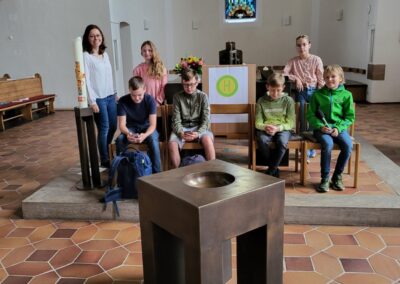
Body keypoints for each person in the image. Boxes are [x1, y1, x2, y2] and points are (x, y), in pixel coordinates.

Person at [306, 65, 355, 193]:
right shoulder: (317, 95)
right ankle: (325, 178)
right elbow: (310, 115)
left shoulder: (347, 95)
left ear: (340, 78)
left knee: (348, 146)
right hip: (321, 129)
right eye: (326, 77)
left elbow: (349, 117)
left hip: (339, 129)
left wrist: (338, 128)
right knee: (327, 144)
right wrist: (320, 126)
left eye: (333, 76)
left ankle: (337, 176)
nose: (330, 80)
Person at [283, 34, 324, 161]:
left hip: (314, 92)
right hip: (300, 92)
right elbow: (284, 73)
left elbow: (321, 79)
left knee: (313, 119)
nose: (302, 47)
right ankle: (302, 150)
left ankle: (309, 149)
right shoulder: (293, 61)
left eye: (304, 44)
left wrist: (321, 96)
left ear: (309, 45)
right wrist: (296, 79)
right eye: (299, 45)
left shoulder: (316, 59)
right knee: (301, 119)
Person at [82, 24, 117, 168]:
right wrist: (92, 101)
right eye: (92, 36)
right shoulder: (86, 56)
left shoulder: (105, 54)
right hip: (98, 99)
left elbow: (109, 76)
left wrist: (114, 92)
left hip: (110, 96)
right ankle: (104, 158)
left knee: (114, 126)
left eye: (98, 35)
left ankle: (106, 149)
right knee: (104, 127)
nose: (96, 38)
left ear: (101, 36)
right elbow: (86, 80)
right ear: (87, 38)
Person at [168, 69, 215, 169]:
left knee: (207, 140)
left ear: (197, 82)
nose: (189, 88)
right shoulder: (177, 97)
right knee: (172, 144)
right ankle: (177, 173)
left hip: (199, 128)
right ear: (182, 83)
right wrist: (181, 133)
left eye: (192, 84)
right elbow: (176, 120)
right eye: (186, 85)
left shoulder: (203, 96)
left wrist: (198, 133)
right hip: (182, 128)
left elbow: (206, 120)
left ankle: (212, 170)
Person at [115, 76, 162, 173]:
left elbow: (153, 125)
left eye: (139, 95)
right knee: (120, 140)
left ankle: (157, 174)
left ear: (145, 89)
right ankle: (123, 173)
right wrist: (129, 134)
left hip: (147, 127)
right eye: (133, 95)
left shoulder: (150, 100)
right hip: (130, 128)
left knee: (153, 141)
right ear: (129, 90)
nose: (136, 98)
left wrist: (145, 135)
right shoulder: (122, 101)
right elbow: (122, 125)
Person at [255, 72, 295, 178]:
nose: (275, 93)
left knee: (282, 142)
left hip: (283, 128)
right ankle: (274, 168)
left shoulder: (288, 101)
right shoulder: (261, 101)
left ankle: (271, 170)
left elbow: (291, 123)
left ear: (283, 87)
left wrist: (278, 128)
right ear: (267, 87)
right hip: (266, 128)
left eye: (278, 90)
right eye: (272, 90)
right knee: (262, 140)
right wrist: (265, 127)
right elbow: (258, 122)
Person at [133, 41, 167, 106]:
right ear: (141, 53)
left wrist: (158, 102)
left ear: (153, 51)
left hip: (158, 104)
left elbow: (164, 87)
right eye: (144, 51)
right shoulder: (137, 70)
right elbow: (136, 89)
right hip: (143, 104)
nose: (147, 53)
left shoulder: (161, 68)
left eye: (150, 50)